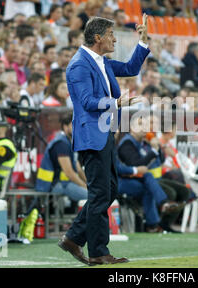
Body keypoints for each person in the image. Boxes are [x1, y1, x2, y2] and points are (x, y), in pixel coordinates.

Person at [58, 15, 150, 266]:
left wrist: (142, 42)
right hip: (91, 135)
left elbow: (130, 69)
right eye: (111, 34)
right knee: (100, 193)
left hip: (105, 133)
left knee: (108, 191)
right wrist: (115, 103)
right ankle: (99, 252)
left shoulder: (102, 61)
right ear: (98, 38)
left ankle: (74, 238)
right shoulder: (78, 64)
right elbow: (86, 101)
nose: (115, 39)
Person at [36, 113, 88, 202]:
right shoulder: (61, 144)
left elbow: (78, 169)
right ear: (65, 127)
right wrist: (86, 187)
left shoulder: (70, 142)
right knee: (90, 197)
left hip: (65, 183)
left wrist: (89, 185)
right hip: (53, 184)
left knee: (93, 195)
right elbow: (69, 173)